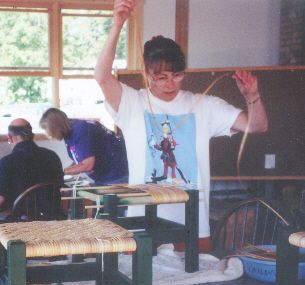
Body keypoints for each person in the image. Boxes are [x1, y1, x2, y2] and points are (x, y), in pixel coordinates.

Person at [94, 0, 268, 248]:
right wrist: (118, 24)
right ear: (147, 73)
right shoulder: (132, 103)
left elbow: (257, 126)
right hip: (143, 222)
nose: (170, 84)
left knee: (194, 281)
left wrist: (252, 96)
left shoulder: (205, 105)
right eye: (161, 77)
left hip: (192, 224)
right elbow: (101, 75)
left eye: (177, 76)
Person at [0, 118, 64, 268]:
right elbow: (58, 186)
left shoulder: (7, 162)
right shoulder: (53, 157)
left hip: (20, 225)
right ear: (33, 135)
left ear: (10, 138)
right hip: (52, 221)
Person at [39, 108, 128, 185]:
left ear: (55, 126)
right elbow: (81, 160)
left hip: (116, 175)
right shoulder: (69, 132)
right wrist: (63, 171)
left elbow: (88, 165)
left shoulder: (81, 130)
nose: (48, 134)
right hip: (106, 176)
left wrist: (62, 173)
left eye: (47, 130)